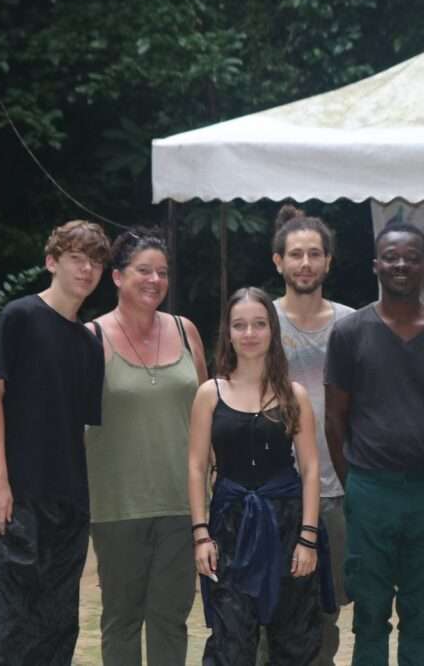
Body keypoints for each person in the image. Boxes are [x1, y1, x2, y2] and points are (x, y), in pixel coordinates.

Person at [325, 220, 424, 666]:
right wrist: (357, 482)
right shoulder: (350, 332)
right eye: (391, 257)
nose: (401, 265)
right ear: (376, 265)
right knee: (370, 613)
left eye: (412, 258)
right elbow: (335, 419)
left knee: (422, 613)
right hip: (368, 489)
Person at [0, 220, 110, 665]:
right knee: (5, 623)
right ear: (52, 262)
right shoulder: (19, 317)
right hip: (17, 496)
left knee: (56, 625)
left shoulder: (89, 344)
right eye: (76, 259)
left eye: (95, 262)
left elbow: (80, 430)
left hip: (68, 503)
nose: (86, 270)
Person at [84, 228, 208, 665]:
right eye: (143, 270)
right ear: (117, 277)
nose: (155, 280)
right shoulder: (91, 338)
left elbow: (208, 411)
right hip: (117, 506)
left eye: (163, 272)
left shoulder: (186, 331)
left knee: (171, 619)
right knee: (121, 619)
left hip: (183, 503)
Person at [188, 287, 324, 666]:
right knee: (230, 641)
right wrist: (201, 535)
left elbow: (310, 468)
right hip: (229, 528)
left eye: (259, 324)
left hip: (287, 526)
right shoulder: (209, 394)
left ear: (272, 331)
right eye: (240, 325)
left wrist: (308, 539)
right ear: (228, 333)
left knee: (294, 641)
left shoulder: (294, 395)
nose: (249, 333)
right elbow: (197, 467)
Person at [270, 205, 354, 665]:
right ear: (278, 261)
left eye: (314, 254)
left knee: (326, 611)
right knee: (267, 606)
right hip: (269, 492)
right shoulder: (258, 322)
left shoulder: (354, 325)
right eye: (295, 254)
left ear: (328, 262)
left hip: (335, 491)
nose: (305, 263)